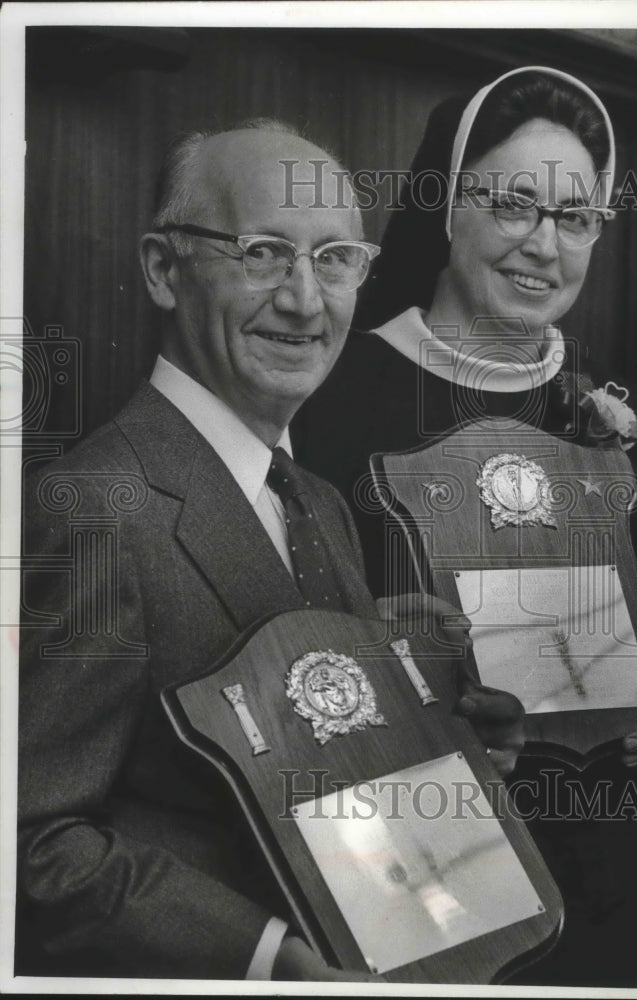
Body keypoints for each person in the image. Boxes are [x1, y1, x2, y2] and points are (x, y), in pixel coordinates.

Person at [17, 119, 521, 982]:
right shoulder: (95, 508)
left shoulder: (315, 502)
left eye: (334, 259)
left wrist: (447, 745)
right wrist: (265, 959)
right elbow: (30, 843)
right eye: (261, 253)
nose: (303, 300)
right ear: (162, 269)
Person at [294, 68, 637, 987]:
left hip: (616, 888)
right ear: (449, 204)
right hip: (411, 879)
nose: (543, 244)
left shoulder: (625, 419)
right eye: (514, 204)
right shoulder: (325, 408)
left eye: (574, 218)